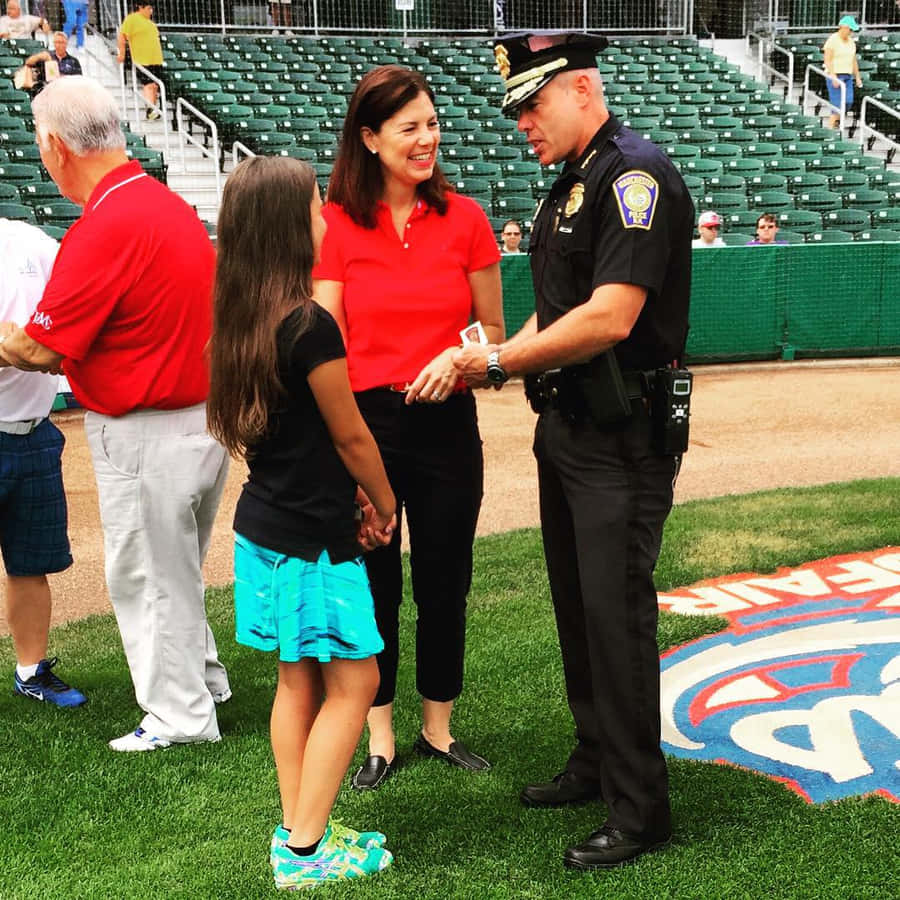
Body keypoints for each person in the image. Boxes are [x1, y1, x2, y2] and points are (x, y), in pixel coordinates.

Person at [454, 32, 693, 869]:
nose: (522, 121)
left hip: (621, 438)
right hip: (569, 429)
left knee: (615, 616)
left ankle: (640, 807)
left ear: (582, 88)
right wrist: (499, 359)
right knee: (579, 608)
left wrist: (495, 362)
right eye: (516, 109)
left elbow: (609, 317)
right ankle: (596, 759)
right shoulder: (573, 183)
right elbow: (557, 315)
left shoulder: (633, 177)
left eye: (532, 103)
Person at [0, 76, 231, 752]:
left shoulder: (108, 221)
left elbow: (39, 348)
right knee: (174, 569)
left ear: (54, 145)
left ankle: (180, 717)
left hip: (147, 426)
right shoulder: (159, 200)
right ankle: (204, 682)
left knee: (147, 576)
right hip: (196, 416)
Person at [207, 156, 395, 891]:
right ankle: (307, 851)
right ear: (289, 226)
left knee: (297, 682)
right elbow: (351, 436)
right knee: (357, 679)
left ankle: (299, 827)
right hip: (312, 540)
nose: (325, 219)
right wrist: (384, 502)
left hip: (268, 527)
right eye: (317, 207)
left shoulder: (240, 318)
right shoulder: (308, 325)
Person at [313, 64, 503, 790]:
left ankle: (439, 727)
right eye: (409, 128)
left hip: (448, 421)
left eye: (432, 124)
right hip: (368, 428)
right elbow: (325, 343)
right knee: (375, 585)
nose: (427, 140)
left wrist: (461, 361)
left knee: (445, 581)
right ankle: (381, 735)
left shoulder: (467, 219)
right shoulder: (335, 223)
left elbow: (493, 336)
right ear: (369, 138)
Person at [0, 218, 86, 710]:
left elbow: (72, 315)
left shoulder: (30, 241)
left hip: (34, 432)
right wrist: (28, 349)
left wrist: (25, 346)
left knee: (31, 565)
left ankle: (31, 671)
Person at [117, 2, 163, 120]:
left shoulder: (151, 24)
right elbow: (122, 36)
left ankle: (152, 110)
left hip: (155, 59)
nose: (151, 11)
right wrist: (122, 53)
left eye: (151, 9)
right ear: (140, 8)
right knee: (148, 84)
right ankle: (150, 108)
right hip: (142, 59)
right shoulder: (132, 19)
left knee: (155, 85)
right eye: (148, 8)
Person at [823, 15, 863, 129]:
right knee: (837, 105)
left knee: (848, 102)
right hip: (835, 75)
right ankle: (831, 129)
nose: (851, 32)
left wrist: (857, 77)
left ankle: (837, 122)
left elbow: (853, 60)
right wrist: (833, 76)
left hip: (847, 76)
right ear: (843, 27)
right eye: (850, 30)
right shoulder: (832, 40)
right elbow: (827, 60)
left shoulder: (851, 42)